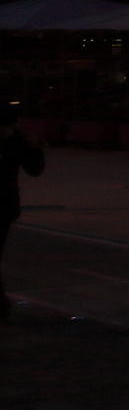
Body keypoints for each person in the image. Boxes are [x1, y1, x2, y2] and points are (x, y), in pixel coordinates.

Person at [1, 103, 45, 321]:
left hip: (4, 205)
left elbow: (34, 169)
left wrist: (34, 148)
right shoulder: (17, 139)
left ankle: (1, 303)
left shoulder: (18, 141)